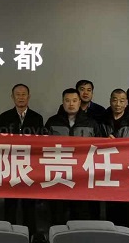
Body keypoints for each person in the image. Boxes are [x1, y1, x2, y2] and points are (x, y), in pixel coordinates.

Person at [45, 88, 101, 225]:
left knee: (81, 214)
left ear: (80, 102)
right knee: (58, 214)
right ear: (62, 102)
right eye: (67, 100)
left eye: (74, 100)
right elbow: (43, 147)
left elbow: (99, 148)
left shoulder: (91, 123)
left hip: (82, 175)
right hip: (58, 175)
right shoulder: (52, 122)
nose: (71, 104)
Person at [0, 84, 44, 236]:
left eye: (24, 94)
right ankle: (9, 236)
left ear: (28, 97)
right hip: (10, 167)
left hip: (29, 167)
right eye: (18, 94)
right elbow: (0, 142)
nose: (21, 97)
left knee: (29, 205)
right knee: (10, 205)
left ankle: (30, 236)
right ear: (12, 97)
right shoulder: (4, 117)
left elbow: (41, 144)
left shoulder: (37, 118)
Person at [100, 89, 129, 229]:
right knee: (110, 205)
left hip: (128, 169)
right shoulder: (102, 119)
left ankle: (128, 233)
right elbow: (93, 142)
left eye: (121, 101)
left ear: (126, 103)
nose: (118, 104)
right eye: (114, 100)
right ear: (110, 101)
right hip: (108, 169)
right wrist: (103, 141)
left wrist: (120, 144)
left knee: (128, 206)